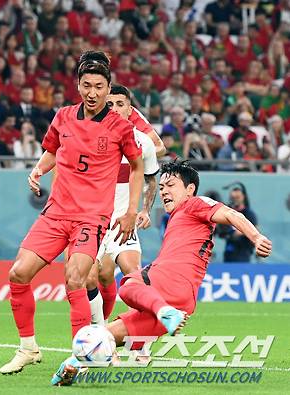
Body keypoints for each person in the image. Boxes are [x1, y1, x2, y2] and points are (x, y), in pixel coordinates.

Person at [51, 161, 272, 386]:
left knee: (128, 285)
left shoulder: (195, 204)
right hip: (182, 303)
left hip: (167, 282)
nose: (164, 191)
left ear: (190, 190)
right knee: (105, 336)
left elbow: (231, 214)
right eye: (163, 187)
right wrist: (69, 367)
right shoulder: (178, 216)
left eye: (171, 185)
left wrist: (256, 237)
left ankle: (163, 312)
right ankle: (72, 367)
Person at [0, 52, 144, 375]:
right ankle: (28, 348)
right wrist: (38, 170)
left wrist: (132, 210)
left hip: (91, 217)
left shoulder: (120, 127)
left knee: (75, 278)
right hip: (56, 213)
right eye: (86, 85)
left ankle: (80, 357)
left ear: (109, 89)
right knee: (18, 274)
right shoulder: (62, 116)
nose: (92, 93)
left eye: (99, 86)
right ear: (77, 85)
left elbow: (137, 167)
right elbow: (52, 150)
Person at [85, 85, 160, 327]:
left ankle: (141, 339)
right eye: (110, 105)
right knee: (95, 277)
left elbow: (151, 180)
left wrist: (145, 210)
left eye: (120, 104)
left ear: (130, 109)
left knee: (132, 272)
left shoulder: (142, 143)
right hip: (93, 219)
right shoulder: (89, 137)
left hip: (122, 220)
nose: (115, 109)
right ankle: (101, 331)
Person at [216, 184, 258, 262]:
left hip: (244, 253)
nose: (235, 199)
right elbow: (224, 233)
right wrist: (245, 230)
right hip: (229, 252)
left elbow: (255, 231)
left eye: (238, 197)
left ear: (243, 197)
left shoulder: (249, 214)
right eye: (233, 197)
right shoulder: (227, 213)